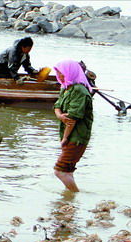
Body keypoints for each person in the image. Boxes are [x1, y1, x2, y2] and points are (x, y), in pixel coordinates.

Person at [53, 59, 93, 192]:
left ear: (71, 72)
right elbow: (57, 105)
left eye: (62, 73)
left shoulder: (79, 90)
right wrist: (59, 115)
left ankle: (75, 194)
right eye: (58, 73)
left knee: (59, 171)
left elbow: (72, 118)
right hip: (70, 136)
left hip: (77, 137)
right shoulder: (66, 87)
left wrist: (64, 138)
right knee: (67, 171)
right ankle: (70, 200)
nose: (60, 77)